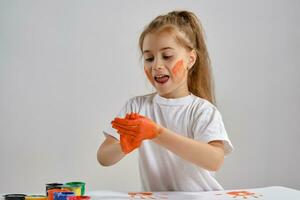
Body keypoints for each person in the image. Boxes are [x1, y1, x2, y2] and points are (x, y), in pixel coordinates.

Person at [97, 10, 233, 192]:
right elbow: (104, 157)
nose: (156, 66)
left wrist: (158, 133)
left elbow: (214, 160)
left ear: (190, 59)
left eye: (167, 56)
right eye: (149, 58)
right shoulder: (136, 107)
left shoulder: (202, 110)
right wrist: (124, 145)